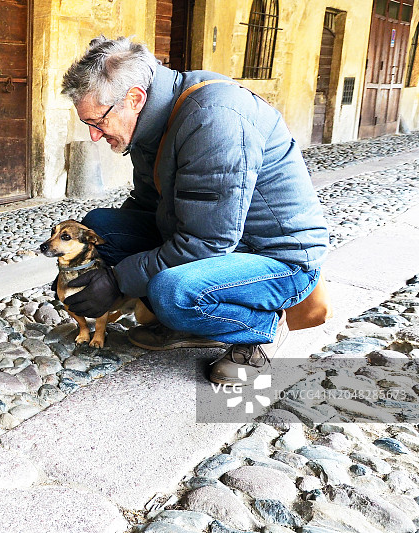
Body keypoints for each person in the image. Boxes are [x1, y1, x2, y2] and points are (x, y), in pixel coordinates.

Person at [59, 36, 329, 385]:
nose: (95, 136)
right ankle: (185, 322)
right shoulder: (148, 123)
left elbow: (206, 243)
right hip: (211, 239)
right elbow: (147, 205)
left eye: (97, 121)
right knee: (100, 231)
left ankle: (258, 330)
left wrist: (118, 280)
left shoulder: (214, 120)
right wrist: (104, 262)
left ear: (135, 99)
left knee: (171, 292)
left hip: (277, 259)